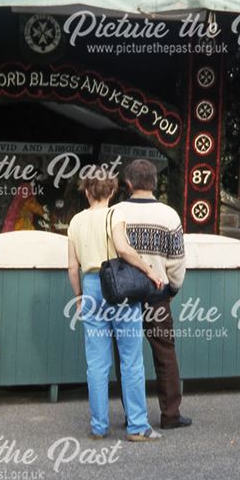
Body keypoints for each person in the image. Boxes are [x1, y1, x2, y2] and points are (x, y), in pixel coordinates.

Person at [67, 167, 164, 442]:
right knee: (131, 359)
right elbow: (122, 249)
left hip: (90, 288)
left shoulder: (75, 222)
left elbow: (72, 267)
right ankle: (137, 426)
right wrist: (149, 270)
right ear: (111, 191)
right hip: (118, 287)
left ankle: (99, 426)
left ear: (86, 191)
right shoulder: (116, 213)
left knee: (96, 362)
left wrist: (78, 298)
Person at [113, 159, 191, 430]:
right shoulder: (170, 215)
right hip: (157, 293)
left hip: (123, 295)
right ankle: (170, 414)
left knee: (125, 355)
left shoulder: (115, 212)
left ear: (129, 184)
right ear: (155, 183)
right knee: (165, 354)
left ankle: (133, 414)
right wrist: (173, 288)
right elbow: (177, 260)